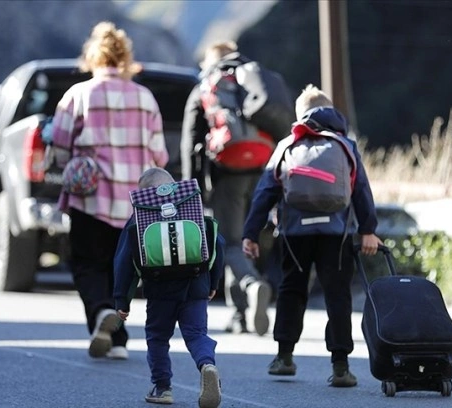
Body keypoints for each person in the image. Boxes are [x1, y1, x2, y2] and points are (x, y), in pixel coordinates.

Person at [242, 84, 383, 387]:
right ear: (331, 112)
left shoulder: (286, 146)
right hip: (337, 233)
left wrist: (251, 233)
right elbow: (361, 191)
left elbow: (265, 192)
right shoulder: (346, 145)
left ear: (300, 115)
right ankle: (341, 366)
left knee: (292, 290)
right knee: (337, 294)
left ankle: (284, 357)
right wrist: (369, 230)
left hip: (295, 232)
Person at [51, 21, 169, 360]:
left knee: (88, 264)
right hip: (134, 201)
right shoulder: (145, 98)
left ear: (93, 56)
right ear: (125, 57)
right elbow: (159, 154)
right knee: (124, 268)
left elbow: (60, 146)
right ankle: (118, 340)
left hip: (90, 196)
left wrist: (71, 159)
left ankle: (102, 313)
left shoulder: (78, 94)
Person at [181, 41, 281, 336]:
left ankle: (252, 286)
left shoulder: (206, 85)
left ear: (210, 61)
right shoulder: (253, 80)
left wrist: (193, 191)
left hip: (229, 172)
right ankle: (239, 314)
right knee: (249, 240)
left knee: (229, 241)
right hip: (264, 171)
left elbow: (190, 144)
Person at [114, 167, 224, 407]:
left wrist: (122, 300)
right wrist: (213, 283)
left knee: (157, 338)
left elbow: (125, 261)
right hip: (195, 287)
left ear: (144, 195)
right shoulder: (193, 210)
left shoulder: (139, 218)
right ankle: (207, 364)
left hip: (159, 290)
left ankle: (162, 388)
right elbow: (218, 244)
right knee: (196, 334)